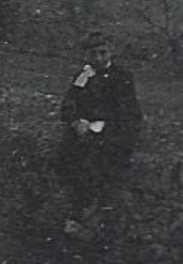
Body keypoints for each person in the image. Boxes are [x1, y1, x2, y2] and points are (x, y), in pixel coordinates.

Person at [55, 30, 143, 240]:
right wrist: (76, 121)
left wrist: (100, 126)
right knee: (66, 162)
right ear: (86, 56)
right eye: (93, 54)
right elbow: (68, 105)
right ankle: (75, 220)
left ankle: (98, 227)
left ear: (111, 51)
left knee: (101, 173)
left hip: (111, 137)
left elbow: (129, 114)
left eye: (103, 53)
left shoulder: (122, 77)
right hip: (83, 135)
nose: (98, 59)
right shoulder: (83, 76)